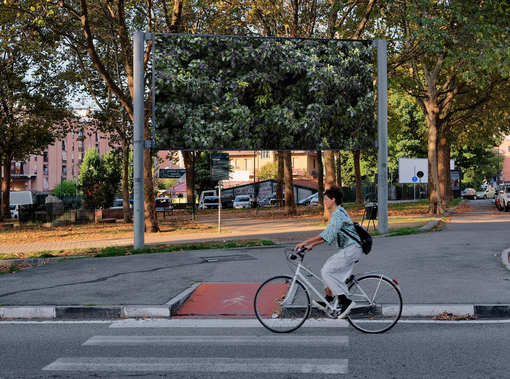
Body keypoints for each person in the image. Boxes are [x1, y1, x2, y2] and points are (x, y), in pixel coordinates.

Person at [294, 184, 363, 318]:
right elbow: (330, 236)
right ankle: (329, 300)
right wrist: (314, 245)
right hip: (350, 249)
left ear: (333, 199)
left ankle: (345, 301)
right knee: (326, 269)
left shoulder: (338, 215)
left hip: (352, 249)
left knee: (327, 272)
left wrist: (306, 242)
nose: (324, 201)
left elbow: (327, 234)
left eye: (325, 199)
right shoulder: (338, 213)